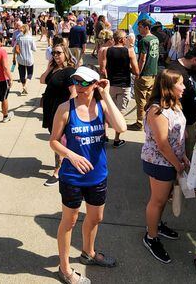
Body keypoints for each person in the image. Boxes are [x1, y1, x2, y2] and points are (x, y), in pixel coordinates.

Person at [50, 67, 127, 284]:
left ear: (95, 84)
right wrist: (71, 156)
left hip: (97, 175)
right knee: (69, 221)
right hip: (72, 177)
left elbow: (121, 126)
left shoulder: (102, 106)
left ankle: (88, 252)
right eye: (76, 81)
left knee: (96, 218)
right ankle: (64, 269)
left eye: (85, 82)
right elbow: (53, 141)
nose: (79, 86)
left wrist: (106, 95)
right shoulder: (66, 109)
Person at [140, 69, 189, 264]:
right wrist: (177, 164)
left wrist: (183, 156)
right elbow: (162, 143)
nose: (184, 87)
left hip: (170, 161)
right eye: (181, 83)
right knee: (158, 201)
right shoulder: (157, 110)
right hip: (159, 162)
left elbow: (176, 138)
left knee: (162, 199)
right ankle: (151, 237)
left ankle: (157, 225)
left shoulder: (174, 105)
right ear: (168, 86)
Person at [40, 42, 76, 187]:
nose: (55, 55)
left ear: (65, 53)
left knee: (57, 139)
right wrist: (49, 68)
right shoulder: (54, 68)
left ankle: (58, 170)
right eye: (53, 53)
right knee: (56, 137)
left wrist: (67, 111)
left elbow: (73, 93)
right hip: (50, 109)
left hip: (60, 110)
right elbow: (43, 80)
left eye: (58, 53)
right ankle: (65, 163)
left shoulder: (69, 71)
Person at [167, 47, 196, 150]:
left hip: (190, 121)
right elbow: (171, 100)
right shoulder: (175, 71)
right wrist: (182, 126)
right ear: (195, 59)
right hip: (182, 124)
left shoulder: (191, 69)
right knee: (183, 156)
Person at [101, 29, 139, 148]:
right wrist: (129, 69)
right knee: (120, 113)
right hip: (124, 85)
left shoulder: (106, 50)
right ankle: (117, 139)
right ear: (123, 39)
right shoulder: (129, 51)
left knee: (107, 110)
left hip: (110, 84)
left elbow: (102, 69)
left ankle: (104, 135)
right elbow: (136, 71)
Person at [130, 20, 159, 131]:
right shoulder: (155, 39)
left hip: (144, 73)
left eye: (140, 27)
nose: (139, 29)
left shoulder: (144, 40)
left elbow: (143, 58)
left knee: (140, 100)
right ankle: (150, 121)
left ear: (147, 27)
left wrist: (138, 72)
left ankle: (140, 123)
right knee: (150, 99)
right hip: (153, 72)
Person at [14, 24, 36, 96]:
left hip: (21, 58)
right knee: (30, 73)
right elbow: (34, 49)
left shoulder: (19, 38)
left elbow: (14, 48)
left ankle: (23, 87)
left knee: (22, 74)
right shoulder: (31, 38)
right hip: (29, 58)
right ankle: (26, 85)